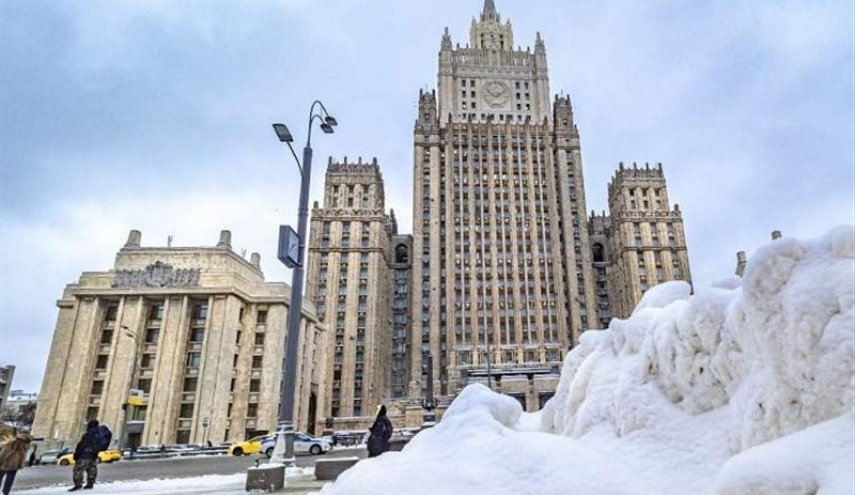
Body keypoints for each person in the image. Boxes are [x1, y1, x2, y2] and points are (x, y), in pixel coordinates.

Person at [68, 420, 100, 491]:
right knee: (91, 469)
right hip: (93, 455)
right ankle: (90, 484)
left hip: (84, 455)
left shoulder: (88, 434)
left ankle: (78, 485)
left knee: (78, 469)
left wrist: (77, 454)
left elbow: (82, 445)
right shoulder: (98, 434)